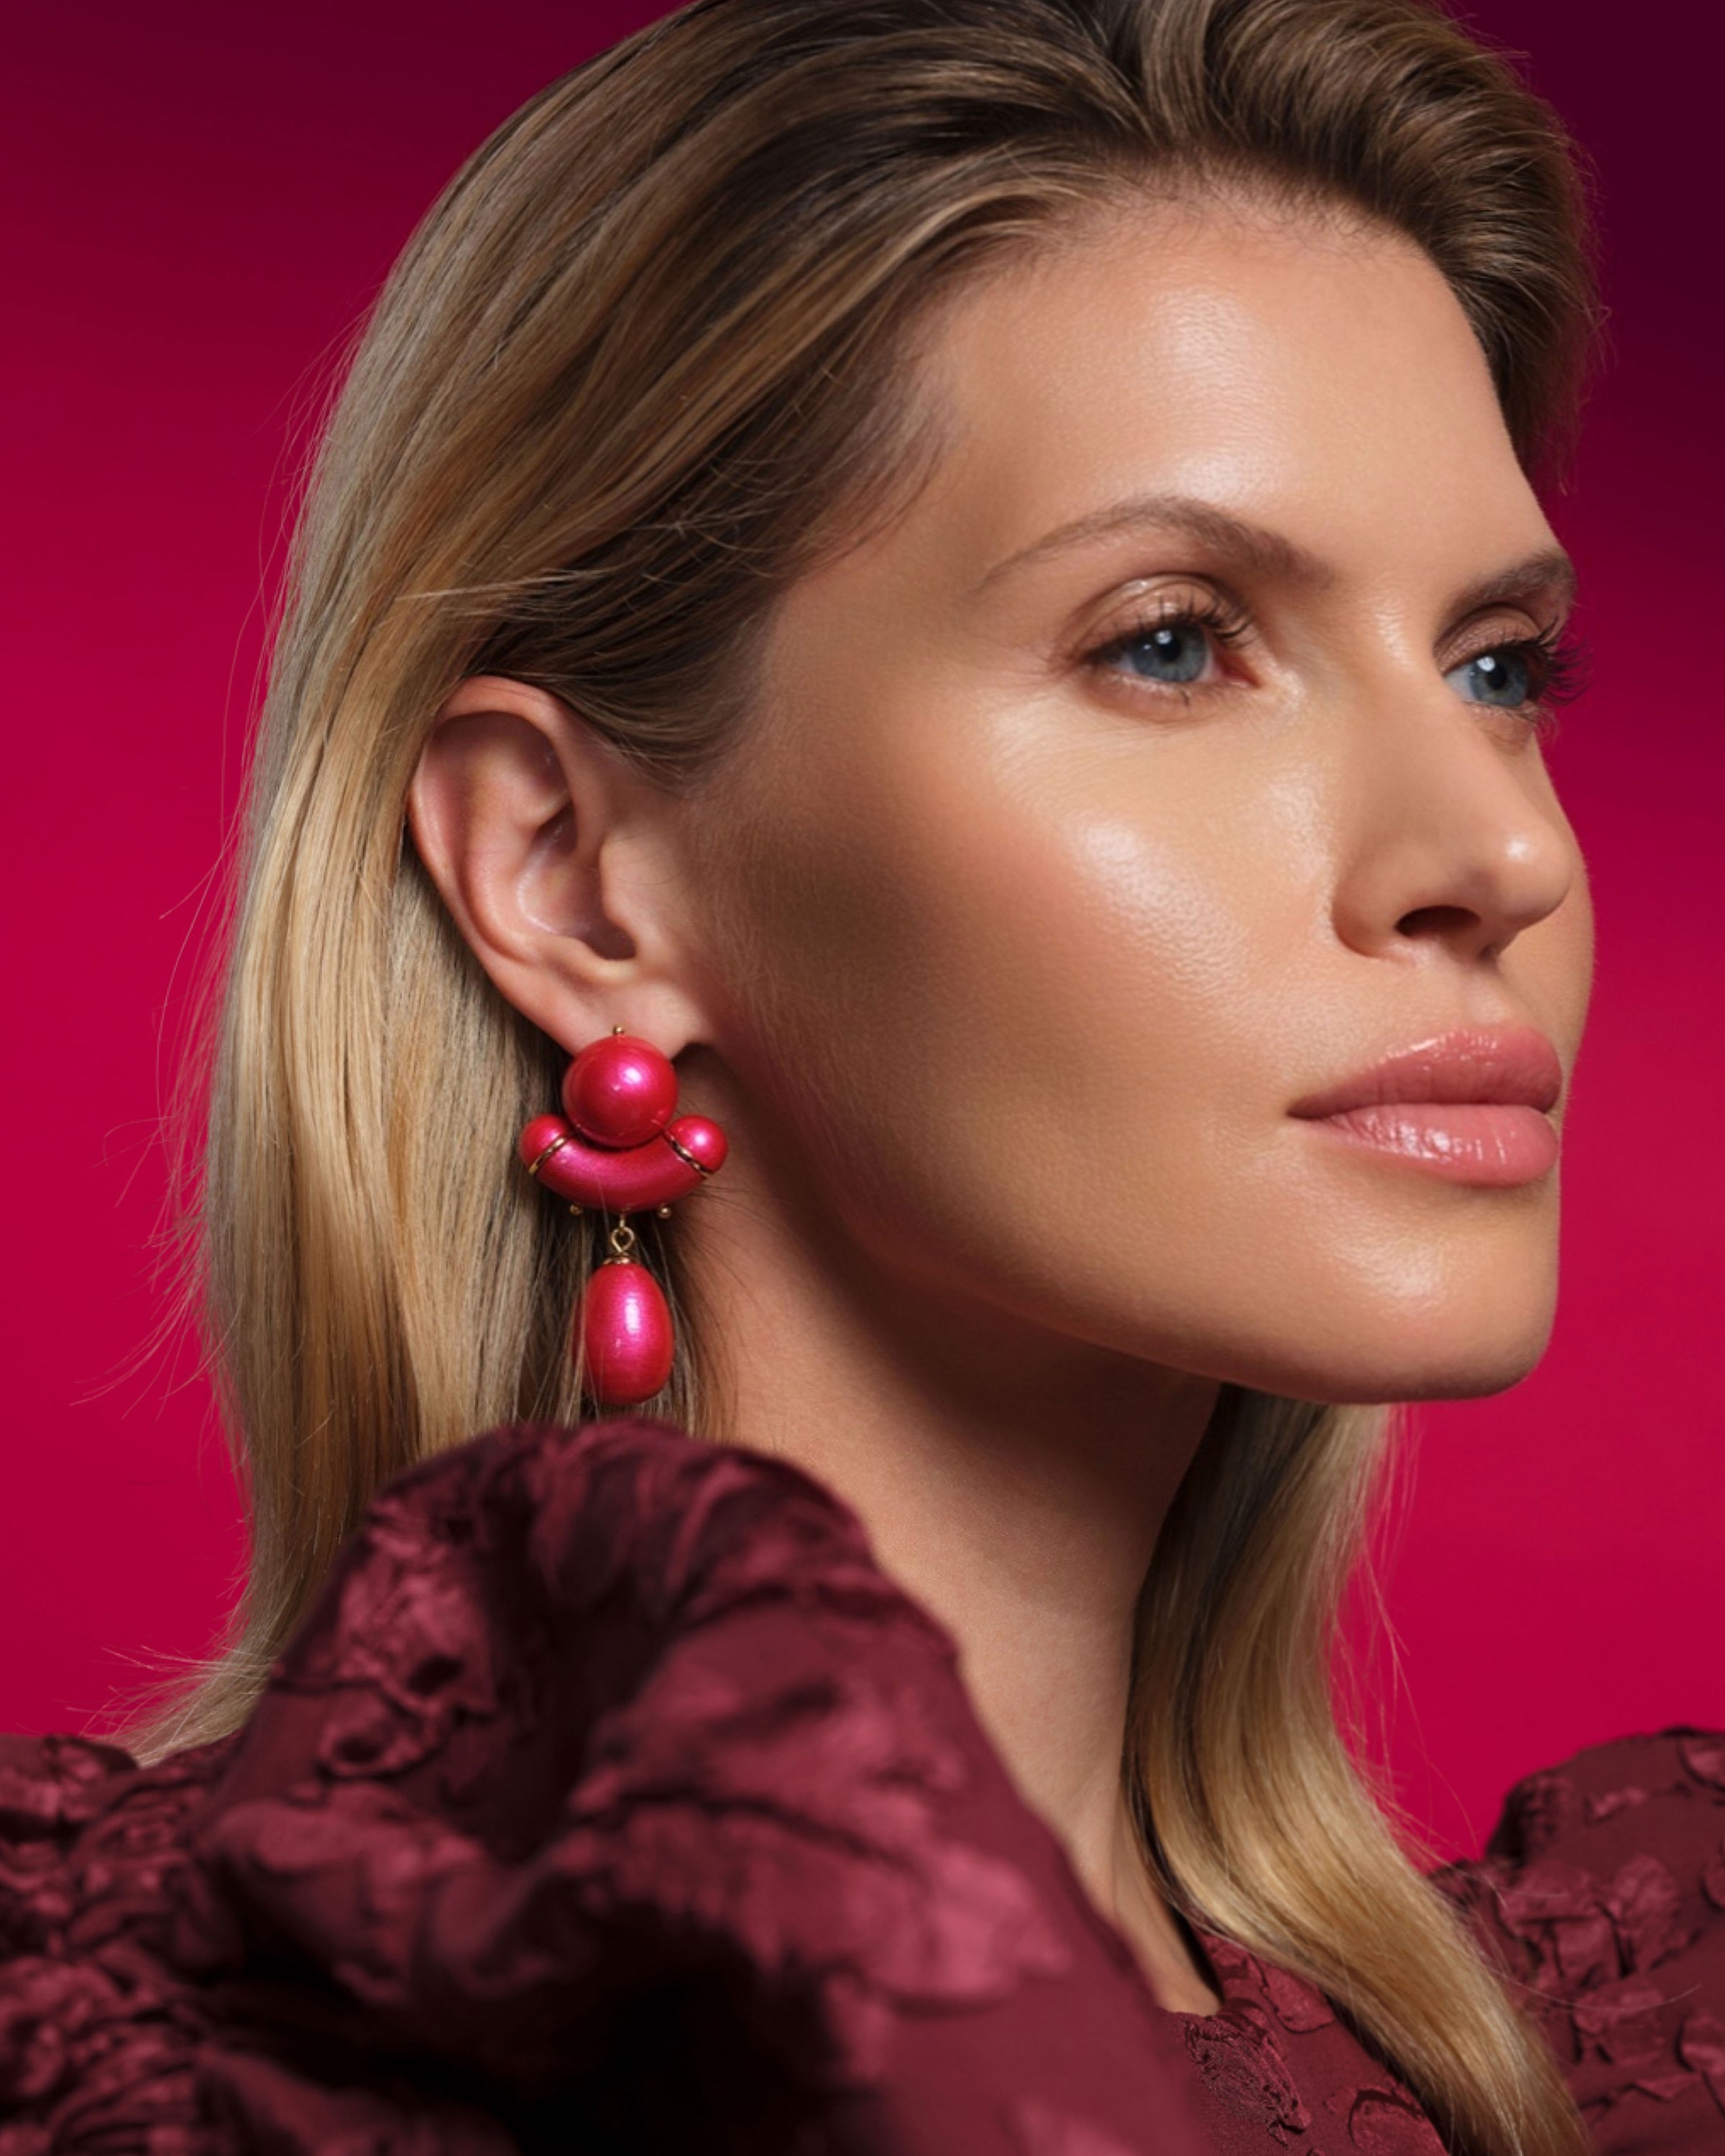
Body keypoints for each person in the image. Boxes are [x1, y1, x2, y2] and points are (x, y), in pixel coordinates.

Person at [3, 0, 1721, 2150]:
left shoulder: (1617, 2045)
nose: (1504, 852)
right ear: (566, 875)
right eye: (1172, 641)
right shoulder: (193, 2073)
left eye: (1498, 665)